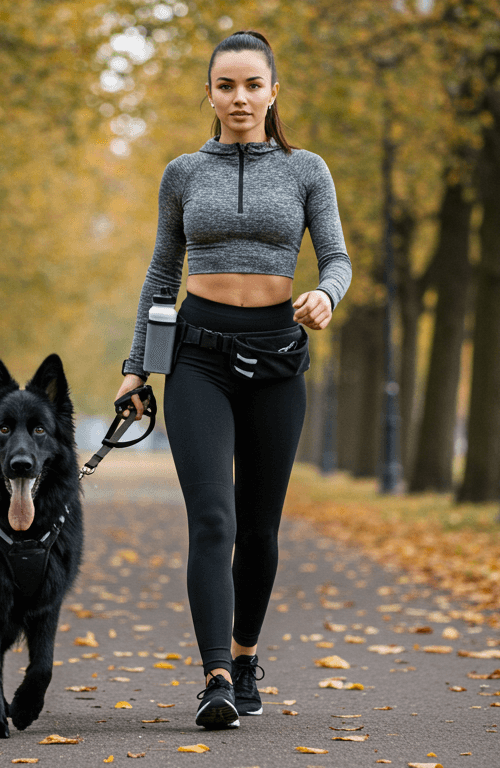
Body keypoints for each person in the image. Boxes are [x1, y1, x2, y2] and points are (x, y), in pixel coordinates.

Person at [115, 30, 351, 730]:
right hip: (200, 359)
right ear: (210, 94)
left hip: (278, 357)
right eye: (226, 85)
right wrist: (136, 367)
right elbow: (162, 274)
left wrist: (326, 297)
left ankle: (247, 655)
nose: (240, 97)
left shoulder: (307, 170)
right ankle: (216, 675)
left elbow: (337, 257)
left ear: (273, 91)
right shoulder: (184, 173)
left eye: (253, 84)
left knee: (261, 528)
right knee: (213, 519)